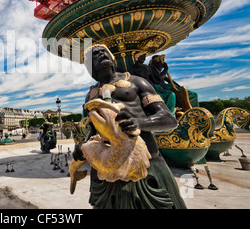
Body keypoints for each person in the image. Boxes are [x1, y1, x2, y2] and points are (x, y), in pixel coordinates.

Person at [73, 44, 187, 209]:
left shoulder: (136, 81)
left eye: (103, 52)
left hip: (146, 164)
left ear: (112, 58)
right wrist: (83, 146)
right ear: (89, 67)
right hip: (107, 169)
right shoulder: (90, 95)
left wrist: (139, 122)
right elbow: (94, 130)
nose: (99, 54)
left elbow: (169, 119)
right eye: (94, 55)